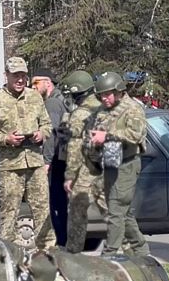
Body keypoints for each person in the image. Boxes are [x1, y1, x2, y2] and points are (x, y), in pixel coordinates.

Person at [0, 56, 54, 249]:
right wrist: (6, 139)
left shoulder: (35, 97)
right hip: (11, 166)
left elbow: (47, 124)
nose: (20, 80)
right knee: (9, 212)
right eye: (15, 76)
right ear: (7, 76)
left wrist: (41, 134)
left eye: (23, 75)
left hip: (35, 163)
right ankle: (8, 254)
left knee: (42, 210)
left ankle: (47, 252)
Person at [88, 72, 150, 257]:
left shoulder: (132, 109)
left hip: (128, 164)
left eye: (107, 94)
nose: (104, 98)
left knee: (116, 210)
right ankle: (141, 251)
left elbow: (135, 135)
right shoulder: (103, 110)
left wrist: (106, 136)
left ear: (118, 91)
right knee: (125, 213)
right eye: (101, 95)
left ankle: (109, 254)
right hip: (110, 164)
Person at [61, 70, 107, 253]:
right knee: (113, 212)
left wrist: (70, 175)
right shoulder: (105, 108)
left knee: (77, 212)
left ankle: (73, 252)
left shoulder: (79, 114)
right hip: (108, 167)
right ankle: (129, 250)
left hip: (86, 170)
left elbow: (73, 147)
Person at [32, 68, 70, 247]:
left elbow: (51, 134)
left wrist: (46, 161)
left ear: (48, 83)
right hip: (62, 160)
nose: (33, 87)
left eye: (36, 83)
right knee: (60, 205)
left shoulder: (52, 103)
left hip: (57, 162)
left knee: (56, 206)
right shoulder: (60, 100)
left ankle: (61, 244)